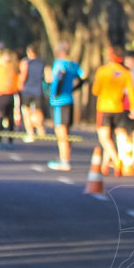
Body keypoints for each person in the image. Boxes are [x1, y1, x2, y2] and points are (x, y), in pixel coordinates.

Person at [91, 48, 134, 176]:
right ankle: (105, 164)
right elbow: (131, 91)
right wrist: (133, 107)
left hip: (104, 108)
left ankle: (116, 160)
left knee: (104, 137)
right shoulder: (125, 72)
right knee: (112, 137)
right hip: (119, 108)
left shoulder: (102, 71)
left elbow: (95, 90)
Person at [47, 41, 87, 171]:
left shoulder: (59, 64)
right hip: (69, 99)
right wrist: (75, 88)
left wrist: (56, 93)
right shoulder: (74, 64)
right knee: (66, 131)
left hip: (59, 101)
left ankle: (64, 160)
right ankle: (65, 157)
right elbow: (84, 76)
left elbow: (59, 77)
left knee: (61, 131)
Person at [0, 49, 21, 149]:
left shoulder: (2, 67)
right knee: (8, 118)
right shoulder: (14, 67)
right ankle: (9, 141)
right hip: (10, 94)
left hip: (3, 94)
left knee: (0, 118)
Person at [18, 45, 48, 143]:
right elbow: (48, 77)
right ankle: (40, 129)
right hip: (38, 90)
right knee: (38, 111)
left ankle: (30, 132)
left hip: (27, 90)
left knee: (26, 112)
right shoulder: (41, 63)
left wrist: (20, 85)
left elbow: (23, 75)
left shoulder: (26, 63)